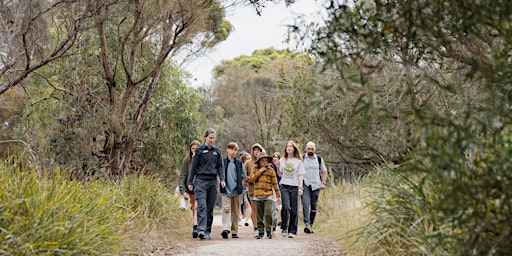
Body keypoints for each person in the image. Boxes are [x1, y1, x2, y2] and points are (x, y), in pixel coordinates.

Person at [188, 128, 226, 240]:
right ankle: (201, 230)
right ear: (205, 137)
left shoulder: (217, 151)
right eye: (210, 138)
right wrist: (190, 181)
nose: (212, 140)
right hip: (200, 181)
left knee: (209, 208)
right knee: (201, 206)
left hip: (213, 182)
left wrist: (222, 179)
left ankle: (207, 231)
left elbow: (220, 167)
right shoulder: (199, 151)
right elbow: (193, 168)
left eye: (213, 138)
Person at [248, 152, 281, 239]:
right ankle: (261, 232)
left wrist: (278, 195)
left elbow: (275, 183)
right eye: (262, 161)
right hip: (257, 195)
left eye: (266, 161)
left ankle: (269, 231)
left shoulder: (271, 170)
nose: (264, 163)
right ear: (259, 161)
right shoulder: (254, 169)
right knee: (259, 215)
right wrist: (260, 171)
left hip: (268, 195)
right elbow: (251, 179)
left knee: (268, 213)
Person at [278, 140, 305, 238]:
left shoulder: (298, 161)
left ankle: (292, 231)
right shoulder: (282, 160)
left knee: (294, 210)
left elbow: (300, 175)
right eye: (287, 146)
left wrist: (300, 187)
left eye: (291, 146)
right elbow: (280, 174)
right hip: (284, 185)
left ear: (294, 148)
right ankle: (284, 227)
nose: (289, 148)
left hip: (295, 186)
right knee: (285, 207)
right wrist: (277, 167)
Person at [220, 142, 246, 239]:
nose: (233, 151)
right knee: (226, 209)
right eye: (231, 149)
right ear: (227, 149)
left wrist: (242, 185)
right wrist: (221, 183)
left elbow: (244, 176)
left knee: (235, 211)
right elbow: (219, 174)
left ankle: (234, 231)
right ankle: (226, 229)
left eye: (235, 149)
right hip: (226, 189)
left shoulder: (239, 163)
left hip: (237, 190)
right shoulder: (223, 162)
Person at [301, 141, 328, 234]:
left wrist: (323, 183)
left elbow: (324, 172)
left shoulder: (319, 159)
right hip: (305, 183)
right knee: (305, 203)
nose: (310, 150)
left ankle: (311, 224)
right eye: (308, 149)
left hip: (316, 185)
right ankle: (307, 224)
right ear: (306, 149)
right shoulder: (302, 158)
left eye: (312, 149)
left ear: (315, 149)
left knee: (314, 205)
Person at [178, 140, 202, 238]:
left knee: (197, 206)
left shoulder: (202, 159)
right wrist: (183, 190)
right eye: (193, 149)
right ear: (190, 149)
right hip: (190, 187)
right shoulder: (187, 160)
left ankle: (196, 226)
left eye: (196, 149)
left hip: (200, 186)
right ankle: (196, 225)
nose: (194, 150)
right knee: (194, 207)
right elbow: (183, 176)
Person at [243, 143, 264, 237]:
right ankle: (256, 228)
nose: (256, 152)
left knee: (262, 209)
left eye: (258, 150)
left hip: (263, 189)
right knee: (254, 208)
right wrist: (248, 179)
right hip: (252, 189)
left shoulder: (264, 162)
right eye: (255, 150)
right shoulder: (248, 163)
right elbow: (243, 176)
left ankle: (262, 227)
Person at [240, 151, 252, 227]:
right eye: (246, 159)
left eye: (249, 158)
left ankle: (247, 220)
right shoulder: (240, 166)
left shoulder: (251, 166)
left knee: (247, 203)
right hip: (241, 187)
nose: (248, 160)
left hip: (248, 187)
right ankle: (239, 218)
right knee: (239, 204)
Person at [272, 152, 282, 228]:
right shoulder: (271, 166)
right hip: (274, 186)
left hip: (281, 185)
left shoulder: (281, 165)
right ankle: (277, 218)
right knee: (276, 203)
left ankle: (280, 218)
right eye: (274, 157)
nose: (275, 158)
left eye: (277, 157)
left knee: (280, 203)